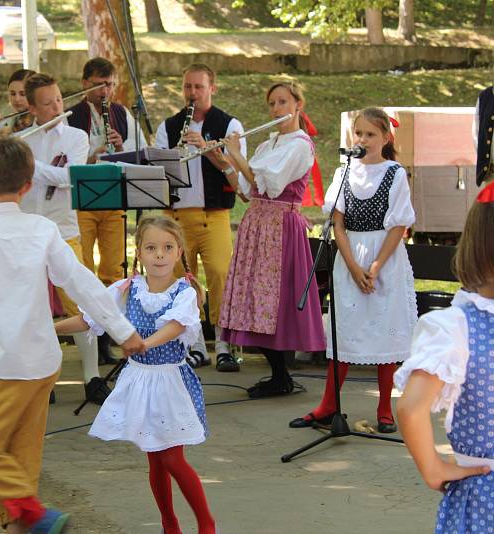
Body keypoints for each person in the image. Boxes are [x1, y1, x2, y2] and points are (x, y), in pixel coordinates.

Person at [0, 136, 143, 534]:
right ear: (28, 185)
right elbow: (82, 283)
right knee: (21, 455)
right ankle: (21, 522)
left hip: (4, 363)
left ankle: (33, 515)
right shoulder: (43, 230)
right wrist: (123, 331)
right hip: (42, 361)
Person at [55, 215, 217, 534]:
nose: (160, 254)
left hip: (170, 383)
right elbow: (91, 318)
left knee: (172, 458)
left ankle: (206, 524)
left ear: (179, 251)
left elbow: (176, 326)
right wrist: (50, 328)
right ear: (139, 253)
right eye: (152, 247)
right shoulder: (127, 289)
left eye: (168, 247)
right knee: (155, 458)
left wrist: (142, 343)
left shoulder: (185, 292)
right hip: (139, 381)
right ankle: (169, 523)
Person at [289, 108, 417, 432]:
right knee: (344, 330)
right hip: (349, 259)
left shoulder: (395, 173)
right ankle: (328, 405)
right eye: (358, 133)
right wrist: (353, 265)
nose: (362, 139)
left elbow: (399, 225)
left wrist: (374, 267)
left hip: (385, 260)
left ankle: (385, 407)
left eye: (371, 134)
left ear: (386, 138)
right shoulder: (344, 172)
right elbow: (338, 225)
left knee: (385, 329)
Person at [395, 182, 494, 532]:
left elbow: (410, 407)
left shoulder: (457, 328)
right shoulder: (458, 328)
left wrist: (433, 468)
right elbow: (410, 409)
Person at [217, 81, 325, 398]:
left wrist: (237, 155)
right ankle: (279, 376)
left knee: (274, 302)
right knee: (253, 301)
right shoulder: (268, 144)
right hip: (257, 225)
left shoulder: (300, 145)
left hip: (280, 227)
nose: (276, 109)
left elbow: (269, 186)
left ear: (298, 105)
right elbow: (249, 190)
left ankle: (282, 377)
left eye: (282, 102)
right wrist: (225, 161)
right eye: (272, 103)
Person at [20, 72, 110, 404]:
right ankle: (43, 380)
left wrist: (30, 166)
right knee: (33, 307)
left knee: (81, 304)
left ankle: (92, 377)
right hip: (28, 233)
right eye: (47, 103)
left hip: (64, 231)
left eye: (59, 99)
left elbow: (70, 177)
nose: (57, 106)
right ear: (32, 108)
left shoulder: (75, 136)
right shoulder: (22, 139)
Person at [155, 63, 245, 373]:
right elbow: (156, 171)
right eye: (187, 87)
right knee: (182, 280)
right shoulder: (168, 127)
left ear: (212, 88)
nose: (192, 93)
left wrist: (207, 149)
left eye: (198, 87)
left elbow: (237, 172)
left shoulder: (230, 124)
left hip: (214, 214)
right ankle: (194, 345)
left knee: (220, 274)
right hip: (176, 216)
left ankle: (222, 344)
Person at [67, 56, 148, 365]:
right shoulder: (69, 115)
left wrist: (120, 147)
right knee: (84, 270)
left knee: (114, 271)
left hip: (113, 200)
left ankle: (108, 338)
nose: (105, 91)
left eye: (110, 85)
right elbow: (66, 159)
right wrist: (93, 154)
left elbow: (139, 152)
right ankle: (91, 342)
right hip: (82, 201)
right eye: (100, 85)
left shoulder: (121, 114)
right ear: (85, 84)